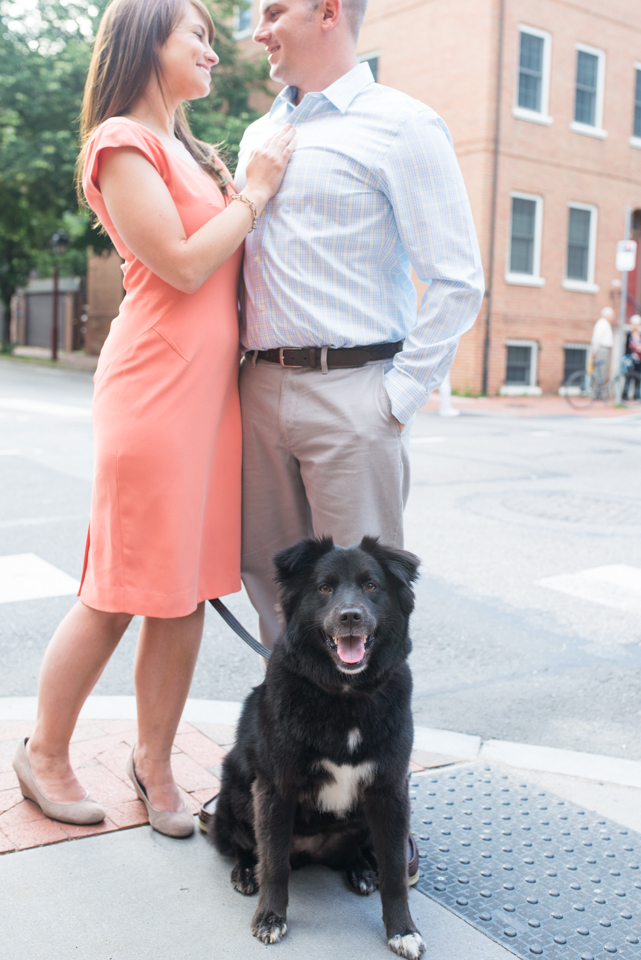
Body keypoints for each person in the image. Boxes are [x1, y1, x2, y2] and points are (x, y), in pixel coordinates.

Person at [12, 0, 294, 838]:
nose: (215, 49)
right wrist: (257, 195)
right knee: (118, 589)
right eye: (198, 35)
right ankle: (47, 751)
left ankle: (154, 760)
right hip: (152, 393)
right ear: (146, 44)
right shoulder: (120, 143)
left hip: (211, 401)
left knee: (183, 595)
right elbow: (175, 265)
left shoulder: (189, 152)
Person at [234, 0, 484, 651]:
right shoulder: (260, 132)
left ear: (327, 12)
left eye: (273, 11)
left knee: (357, 613)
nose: (259, 30)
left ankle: (364, 753)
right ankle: (293, 750)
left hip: (354, 394)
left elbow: (456, 277)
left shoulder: (401, 125)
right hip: (257, 389)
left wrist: (394, 400)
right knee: (273, 594)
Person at [589, 306, 614, 387]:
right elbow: (596, 338)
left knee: (603, 371)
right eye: (612, 315)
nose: (613, 317)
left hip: (605, 349)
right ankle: (596, 392)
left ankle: (599, 391)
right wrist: (594, 351)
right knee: (600, 371)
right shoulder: (602, 323)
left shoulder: (606, 323)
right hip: (602, 349)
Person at [623, 314, 641, 400]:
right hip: (630, 360)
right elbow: (626, 347)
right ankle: (625, 395)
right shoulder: (628, 335)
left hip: (639, 360)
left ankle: (636, 395)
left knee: (638, 378)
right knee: (628, 377)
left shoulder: (640, 336)